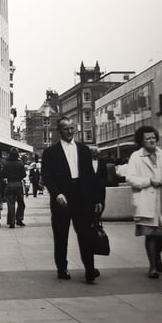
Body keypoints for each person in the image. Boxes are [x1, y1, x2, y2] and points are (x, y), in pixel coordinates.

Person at [42, 117, 103, 283]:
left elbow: (91, 176)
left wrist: (96, 199)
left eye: (71, 128)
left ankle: (90, 269)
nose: (69, 132)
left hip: (82, 196)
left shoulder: (83, 150)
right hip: (62, 198)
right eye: (65, 129)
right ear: (59, 131)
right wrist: (56, 194)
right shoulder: (50, 153)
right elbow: (46, 177)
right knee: (61, 235)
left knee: (85, 234)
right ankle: (62, 268)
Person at [126, 126, 162, 279]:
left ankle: (156, 255)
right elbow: (130, 178)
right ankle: (152, 266)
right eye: (147, 138)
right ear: (141, 141)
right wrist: (149, 181)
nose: (151, 141)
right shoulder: (136, 157)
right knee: (150, 234)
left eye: (153, 138)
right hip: (146, 199)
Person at [1, 148, 26, 228]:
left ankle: (11, 222)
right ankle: (19, 219)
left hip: (10, 184)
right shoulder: (20, 163)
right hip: (18, 184)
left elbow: (3, 175)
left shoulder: (6, 164)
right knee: (21, 202)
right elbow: (24, 175)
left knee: (10, 203)